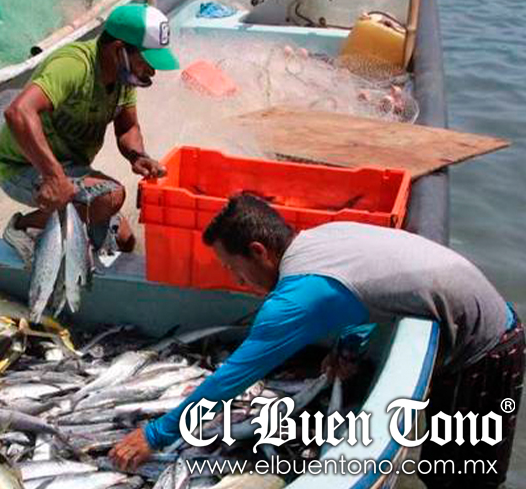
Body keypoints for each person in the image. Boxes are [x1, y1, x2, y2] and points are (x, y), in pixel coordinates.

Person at [110, 193, 523, 489]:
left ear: (259, 251)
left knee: (465, 479)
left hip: (487, 349)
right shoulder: (321, 238)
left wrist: (156, 435)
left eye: (233, 268)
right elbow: (371, 291)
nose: (237, 280)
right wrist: (349, 348)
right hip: (476, 324)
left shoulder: (296, 299)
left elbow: (232, 377)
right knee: (442, 468)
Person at [0, 3, 179, 266]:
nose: (152, 71)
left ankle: (72, 230)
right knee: (110, 196)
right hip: (22, 166)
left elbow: (128, 127)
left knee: (124, 242)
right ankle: (23, 227)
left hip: (71, 167)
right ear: (118, 50)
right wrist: (54, 177)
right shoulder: (73, 65)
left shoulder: (122, 76)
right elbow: (18, 112)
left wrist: (137, 156)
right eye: (147, 62)